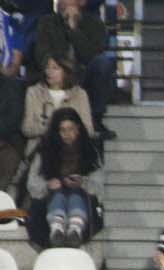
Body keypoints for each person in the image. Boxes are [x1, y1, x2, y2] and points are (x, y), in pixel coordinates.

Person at [32, 0, 112, 137]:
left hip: (84, 78)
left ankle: (95, 119)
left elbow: (90, 55)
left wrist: (73, 29)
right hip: (56, 75)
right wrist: (60, 68)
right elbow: (41, 53)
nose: (62, 2)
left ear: (81, 2)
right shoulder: (47, 22)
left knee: (103, 63)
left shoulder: (95, 23)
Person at [34, 107, 97, 248]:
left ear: (78, 129)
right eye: (63, 130)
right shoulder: (45, 151)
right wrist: (48, 185)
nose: (67, 134)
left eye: (71, 129)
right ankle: (57, 229)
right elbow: (32, 182)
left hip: (82, 198)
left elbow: (99, 182)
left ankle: (75, 230)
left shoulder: (90, 151)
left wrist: (83, 182)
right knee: (59, 194)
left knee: (75, 195)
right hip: (50, 199)